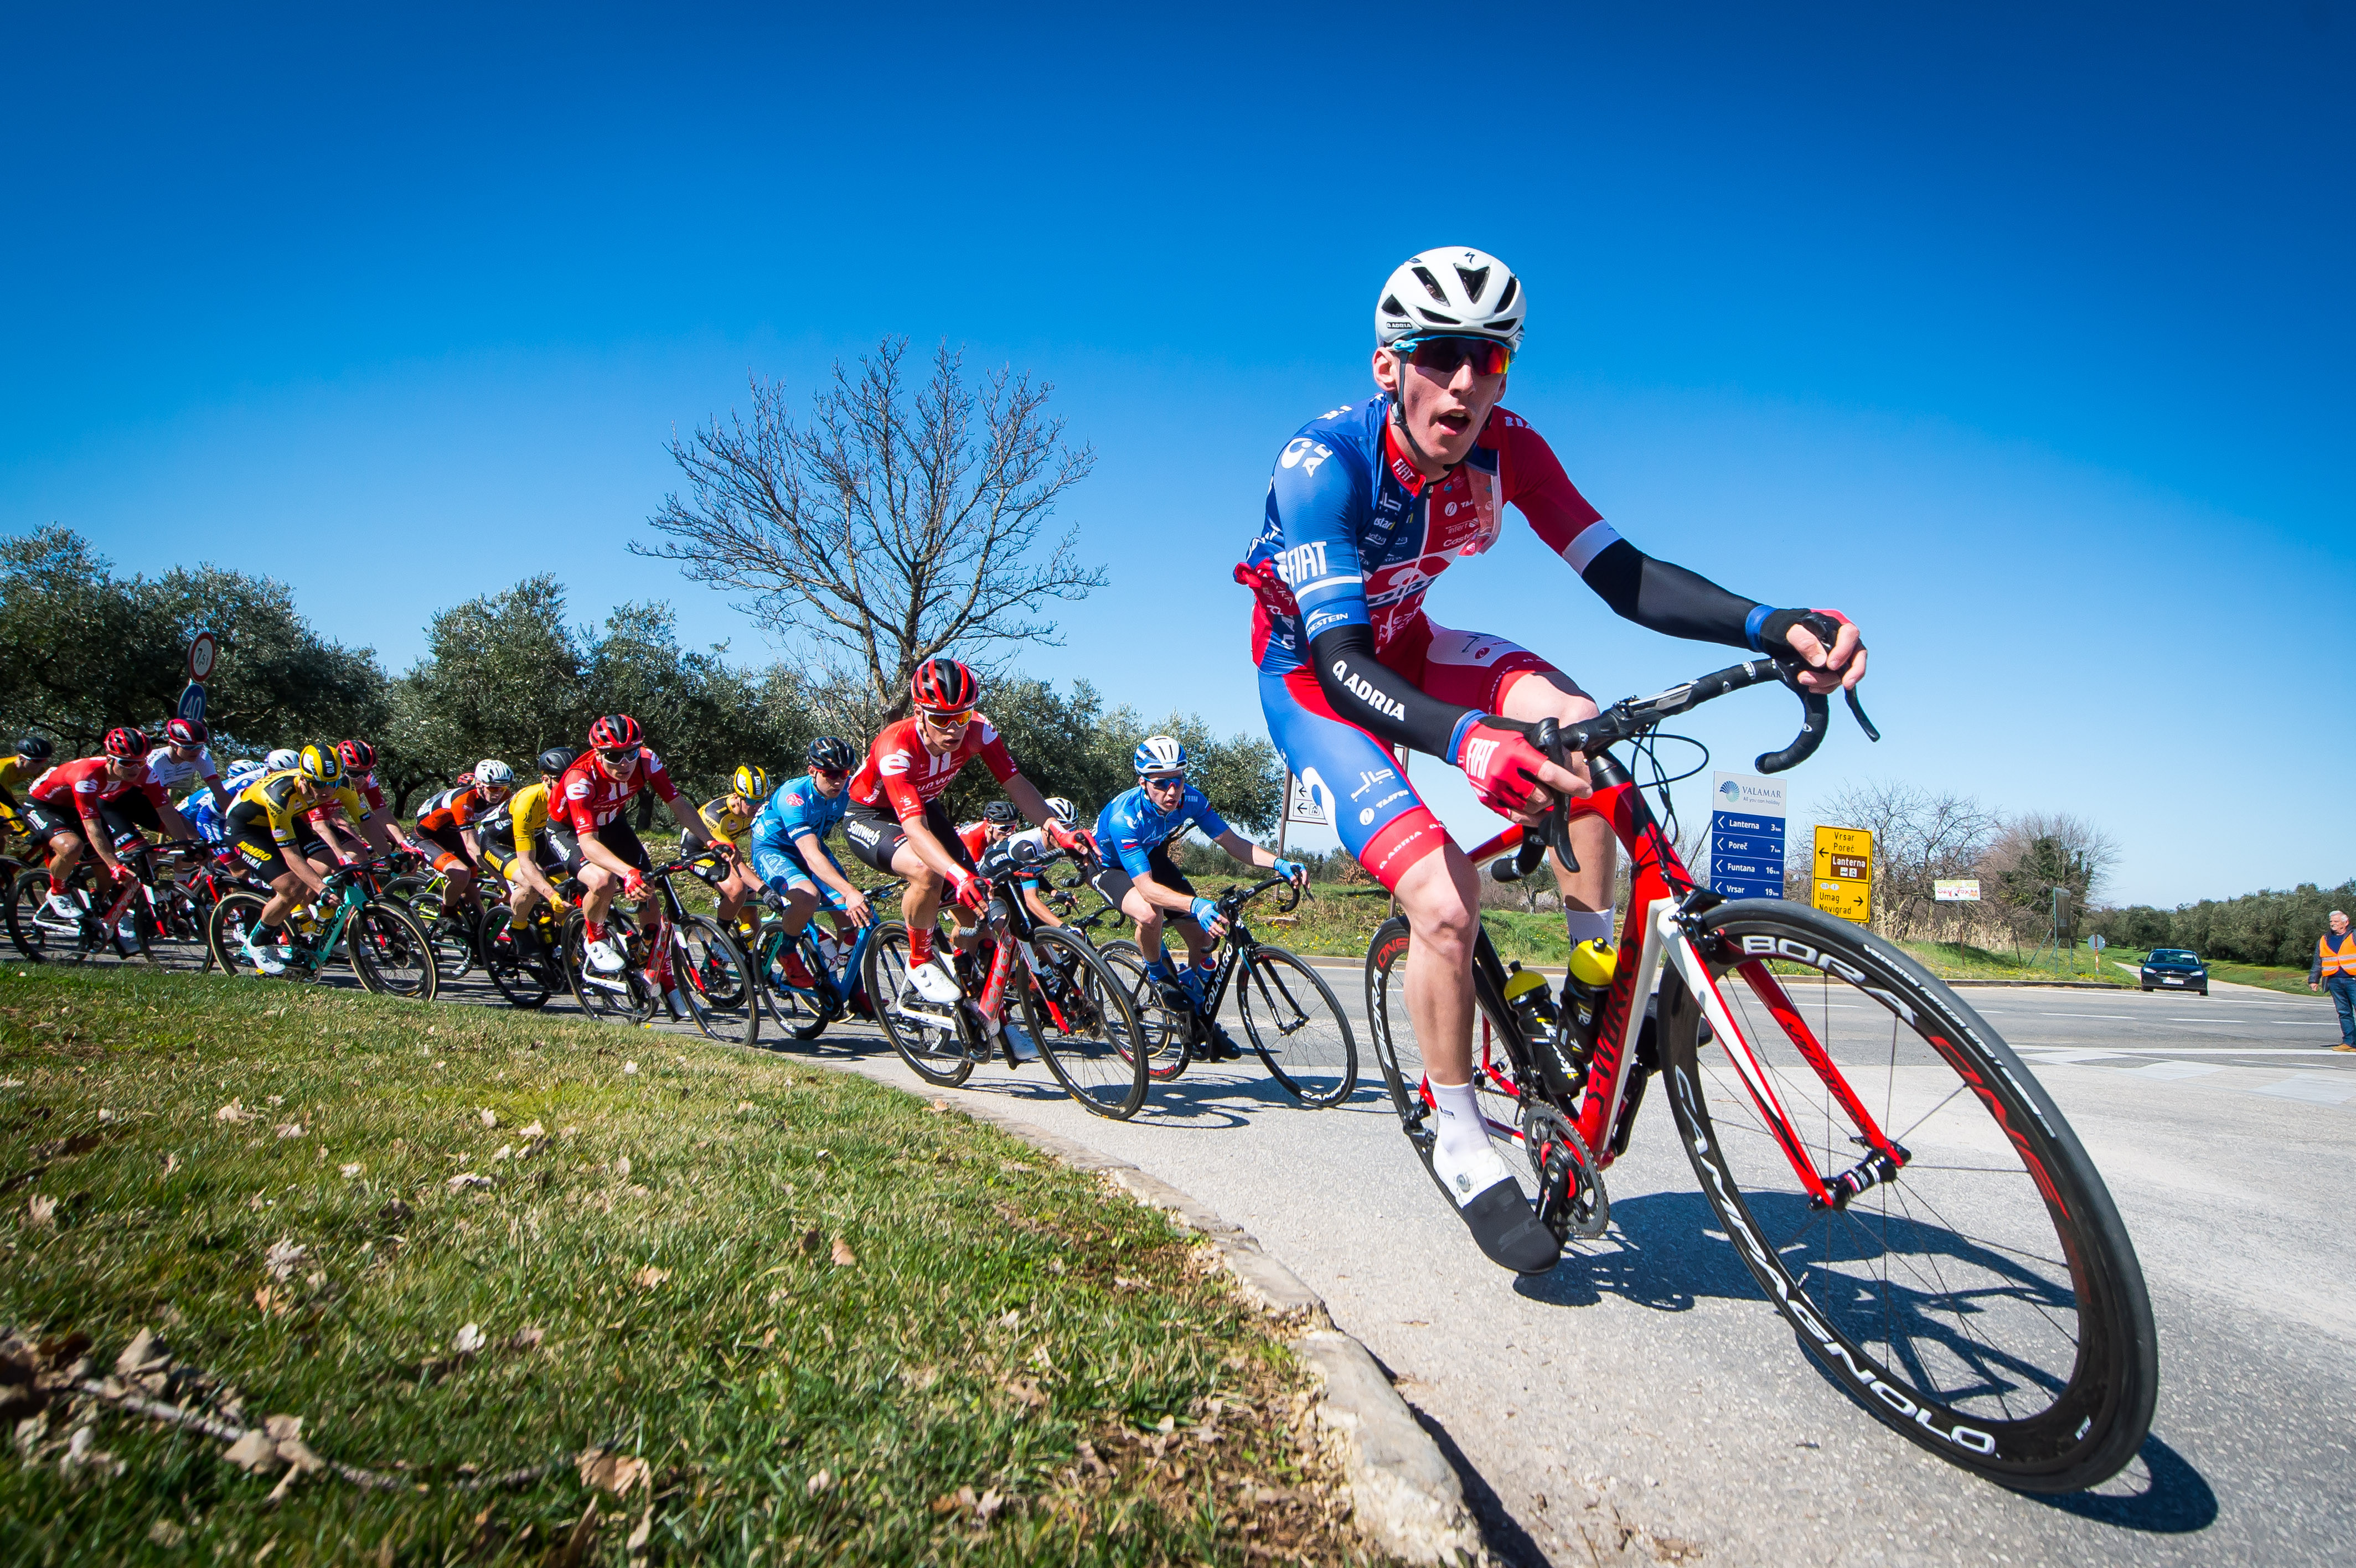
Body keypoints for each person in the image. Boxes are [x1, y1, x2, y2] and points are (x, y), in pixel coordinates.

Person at [1236, 247, 1867, 1274]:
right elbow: (1340, 661)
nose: (1466, 383)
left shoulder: (1510, 447)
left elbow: (1623, 574)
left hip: (1415, 640)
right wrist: (1469, 739)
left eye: (1490, 359)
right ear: (1388, 366)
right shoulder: (1324, 464)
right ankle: (1457, 1128)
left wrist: (1768, 622)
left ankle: (1593, 967)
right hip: (1318, 677)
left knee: (1579, 726)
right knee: (1443, 902)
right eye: (1439, 356)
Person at [840, 658, 1091, 1009]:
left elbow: (1016, 784)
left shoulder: (979, 731)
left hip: (925, 805)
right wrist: (957, 876)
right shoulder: (896, 746)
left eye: (961, 718)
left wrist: (1055, 829)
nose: (953, 730)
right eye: (942, 719)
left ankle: (984, 1013)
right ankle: (919, 959)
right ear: (919, 712)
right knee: (926, 871)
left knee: (983, 909)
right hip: (872, 814)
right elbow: (913, 828)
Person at [1091, 736, 1308, 1060]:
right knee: (1151, 914)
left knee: (1204, 938)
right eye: (1161, 783)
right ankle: (1156, 972)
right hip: (1108, 865)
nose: (1171, 791)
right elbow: (1148, 889)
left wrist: (1278, 863)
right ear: (1143, 782)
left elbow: (1233, 843)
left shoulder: (1190, 800)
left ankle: (1198, 1023)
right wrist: (1196, 904)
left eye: (1177, 780)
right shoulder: (1126, 818)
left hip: (1149, 855)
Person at [550, 715, 717, 975]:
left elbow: (677, 804)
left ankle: (647, 954)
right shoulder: (579, 779)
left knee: (647, 884)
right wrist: (626, 873)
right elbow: (588, 842)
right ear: (598, 753)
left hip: (612, 823)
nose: (625, 762)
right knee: (603, 881)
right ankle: (595, 938)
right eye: (615, 756)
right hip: (570, 831)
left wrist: (711, 841)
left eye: (631, 752)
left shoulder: (647, 761)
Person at [222, 745, 396, 974]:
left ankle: (314, 930)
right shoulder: (281, 794)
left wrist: (390, 858)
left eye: (332, 783)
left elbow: (366, 822)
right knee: (290, 887)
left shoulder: (342, 785)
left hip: (288, 821)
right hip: (246, 828)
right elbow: (291, 854)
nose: (327, 791)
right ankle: (258, 941)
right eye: (319, 784)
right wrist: (321, 889)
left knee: (333, 865)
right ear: (304, 779)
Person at [23, 729, 198, 925]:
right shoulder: (87, 776)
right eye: (126, 763)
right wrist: (115, 865)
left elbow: (167, 812)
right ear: (109, 759)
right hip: (44, 806)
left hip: (75, 807)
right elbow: (93, 828)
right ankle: (57, 891)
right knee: (72, 847)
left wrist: (188, 847)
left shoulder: (145, 773)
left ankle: (98, 903)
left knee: (105, 871)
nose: (134, 769)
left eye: (140, 762)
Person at [745, 737, 874, 989]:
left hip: (811, 844)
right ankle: (788, 951)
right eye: (830, 774)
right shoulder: (793, 797)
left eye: (844, 774)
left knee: (852, 920)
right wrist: (849, 891)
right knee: (808, 897)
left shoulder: (848, 791)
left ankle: (843, 984)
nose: (838, 781)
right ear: (812, 771)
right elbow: (811, 856)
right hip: (774, 848)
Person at [476, 747, 576, 958]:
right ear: (546, 780)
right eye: (561, 781)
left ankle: (560, 943)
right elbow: (527, 863)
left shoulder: (575, 796)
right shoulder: (528, 802)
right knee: (531, 882)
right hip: (498, 841)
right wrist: (550, 895)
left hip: (536, 838)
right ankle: (518, 927)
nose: (567, 786)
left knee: (568, 884)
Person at [410, 760, 514, 917]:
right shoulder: (463, 800)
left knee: (473, 895)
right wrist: (499, 877)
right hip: (428, 836)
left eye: (503, 787)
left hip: (456, 836)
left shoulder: (504, 796)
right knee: (460, 874)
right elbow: (472, 846)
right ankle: (447, 914)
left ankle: (479, 936)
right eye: (493, 788)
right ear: (479, 784)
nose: (498, 793)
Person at [690, 765, 769, 939]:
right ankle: (720, 940)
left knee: (749, 907)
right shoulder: (716, 815)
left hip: (724, 852)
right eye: (751, 801)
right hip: (698, 853)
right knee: (737, 889)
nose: (756, 806)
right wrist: (765, 890)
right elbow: (734, 861)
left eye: (761, 800)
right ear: (736, 797)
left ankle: (756, 956)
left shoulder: (757, 809)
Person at [142, 717, 231, 816]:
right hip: (136, 797)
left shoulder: (202, 757)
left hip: (157, 799)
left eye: (199, 746)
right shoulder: (156, 763)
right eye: (189, 747)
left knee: (191, 832)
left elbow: (220, 793)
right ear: (172, 745)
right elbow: (157, 802)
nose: (196, 751)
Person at [2312, 909, 2356, 1052]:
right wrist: (2314, 979)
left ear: (2346, 922)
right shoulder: (2325, 939)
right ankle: (2349, 1042)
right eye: (2331, 922)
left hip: (2353, 980)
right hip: (2334, 981)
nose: (2333, 924)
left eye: (2336, 922)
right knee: (2344, 1012)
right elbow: (2318, 961)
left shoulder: (2354, 936)